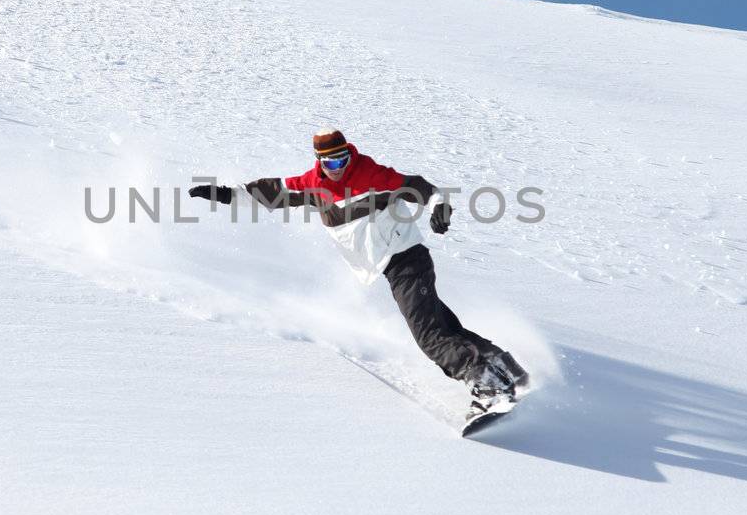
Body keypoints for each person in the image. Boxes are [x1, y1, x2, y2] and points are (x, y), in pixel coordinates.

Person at [188, 128, 528, 418]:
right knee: (443, 326)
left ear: (350, 156)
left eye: (342, 160)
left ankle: (488, 386)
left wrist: (440, 206)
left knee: (429, 336)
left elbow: (421, 186)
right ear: (319, 162)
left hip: (407, 259)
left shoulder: (372, 176)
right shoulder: (311, 186)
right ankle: (508, 369)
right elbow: (267, 193)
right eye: (330, 163)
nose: (338, 169)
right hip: (392, 268)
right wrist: (223, 194)